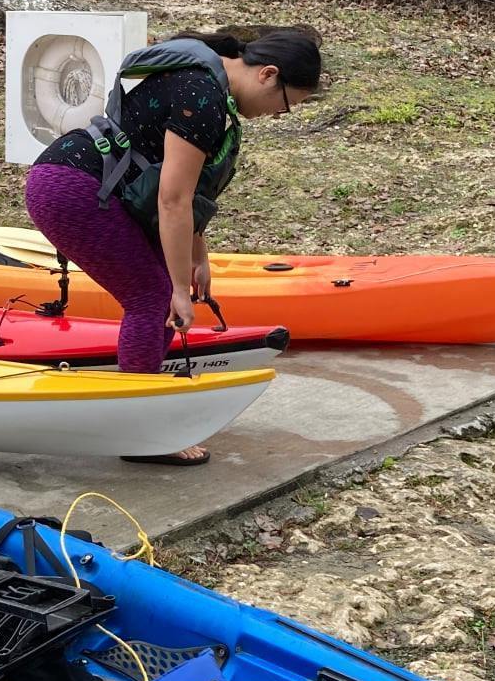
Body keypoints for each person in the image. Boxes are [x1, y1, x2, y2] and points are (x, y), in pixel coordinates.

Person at [24, 25, 323, 464]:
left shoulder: (207, 88)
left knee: (157, 293)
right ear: (268, 75)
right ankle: (143, 433)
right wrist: (179, 289)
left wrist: (197, 258)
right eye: (286, 105)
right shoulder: (201, 97)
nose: (280, 115)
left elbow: (181, 189)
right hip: (73, 189)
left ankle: (142, 408)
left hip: (84, 185)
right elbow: (172, 199)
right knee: (155, 298)